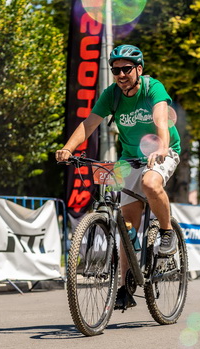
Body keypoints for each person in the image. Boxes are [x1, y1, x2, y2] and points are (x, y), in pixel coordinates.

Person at [56, 44, 181, 311]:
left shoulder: (152, 88)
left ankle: (167, 232)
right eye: (116, 70)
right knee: (126, 225)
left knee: (150, 183)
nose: (121, 74)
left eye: (126, 69)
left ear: (139, 69)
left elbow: (161, 119)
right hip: (129, 159)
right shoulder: (111, 94)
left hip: (162, 151)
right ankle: (125, 286)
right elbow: (89, 123)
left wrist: (161, 147)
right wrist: (68, 148)